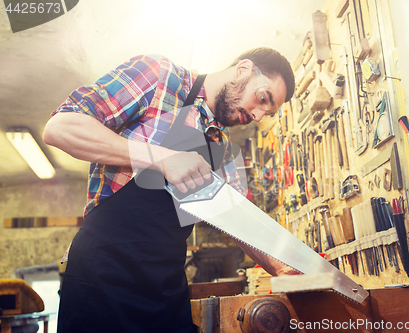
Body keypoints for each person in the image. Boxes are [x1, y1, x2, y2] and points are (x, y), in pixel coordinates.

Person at [43, 47, 297, 333]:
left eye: (268, 112)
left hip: (164, 288)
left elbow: (240, 224)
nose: (257, 115)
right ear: (243, 70)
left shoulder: (224, 150)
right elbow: (61, 128)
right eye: (263, 99)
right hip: (103, 277)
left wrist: (284, 268)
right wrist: (162, 158)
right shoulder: (160, 77)